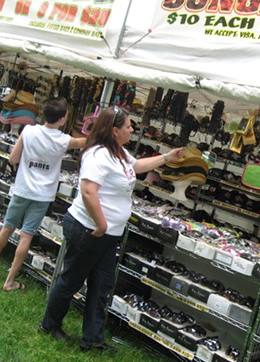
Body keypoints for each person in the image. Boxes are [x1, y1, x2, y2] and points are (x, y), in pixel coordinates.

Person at [40, 105, 183, 352]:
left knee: (102, 286)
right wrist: (101, 223)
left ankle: (93, 340)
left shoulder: (119, 152)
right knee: (72, 280)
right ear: (115, 130)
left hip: (107, 234)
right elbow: (87, 190)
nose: (132, 129)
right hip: (89, 229)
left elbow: (137, 166)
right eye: (128, 126)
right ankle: (49, 325)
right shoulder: (98, 155)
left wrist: (167, 157)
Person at [0, 97, 86, 292]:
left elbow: (13, 158)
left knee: (7, 228)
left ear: (43, 114)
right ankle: (10, 281)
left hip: (22, 188)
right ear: (63, 119)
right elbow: (87, 140)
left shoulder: (29, 131)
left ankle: (9, 280)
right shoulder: (64, 140)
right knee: (26, 236)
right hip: (42, 195)